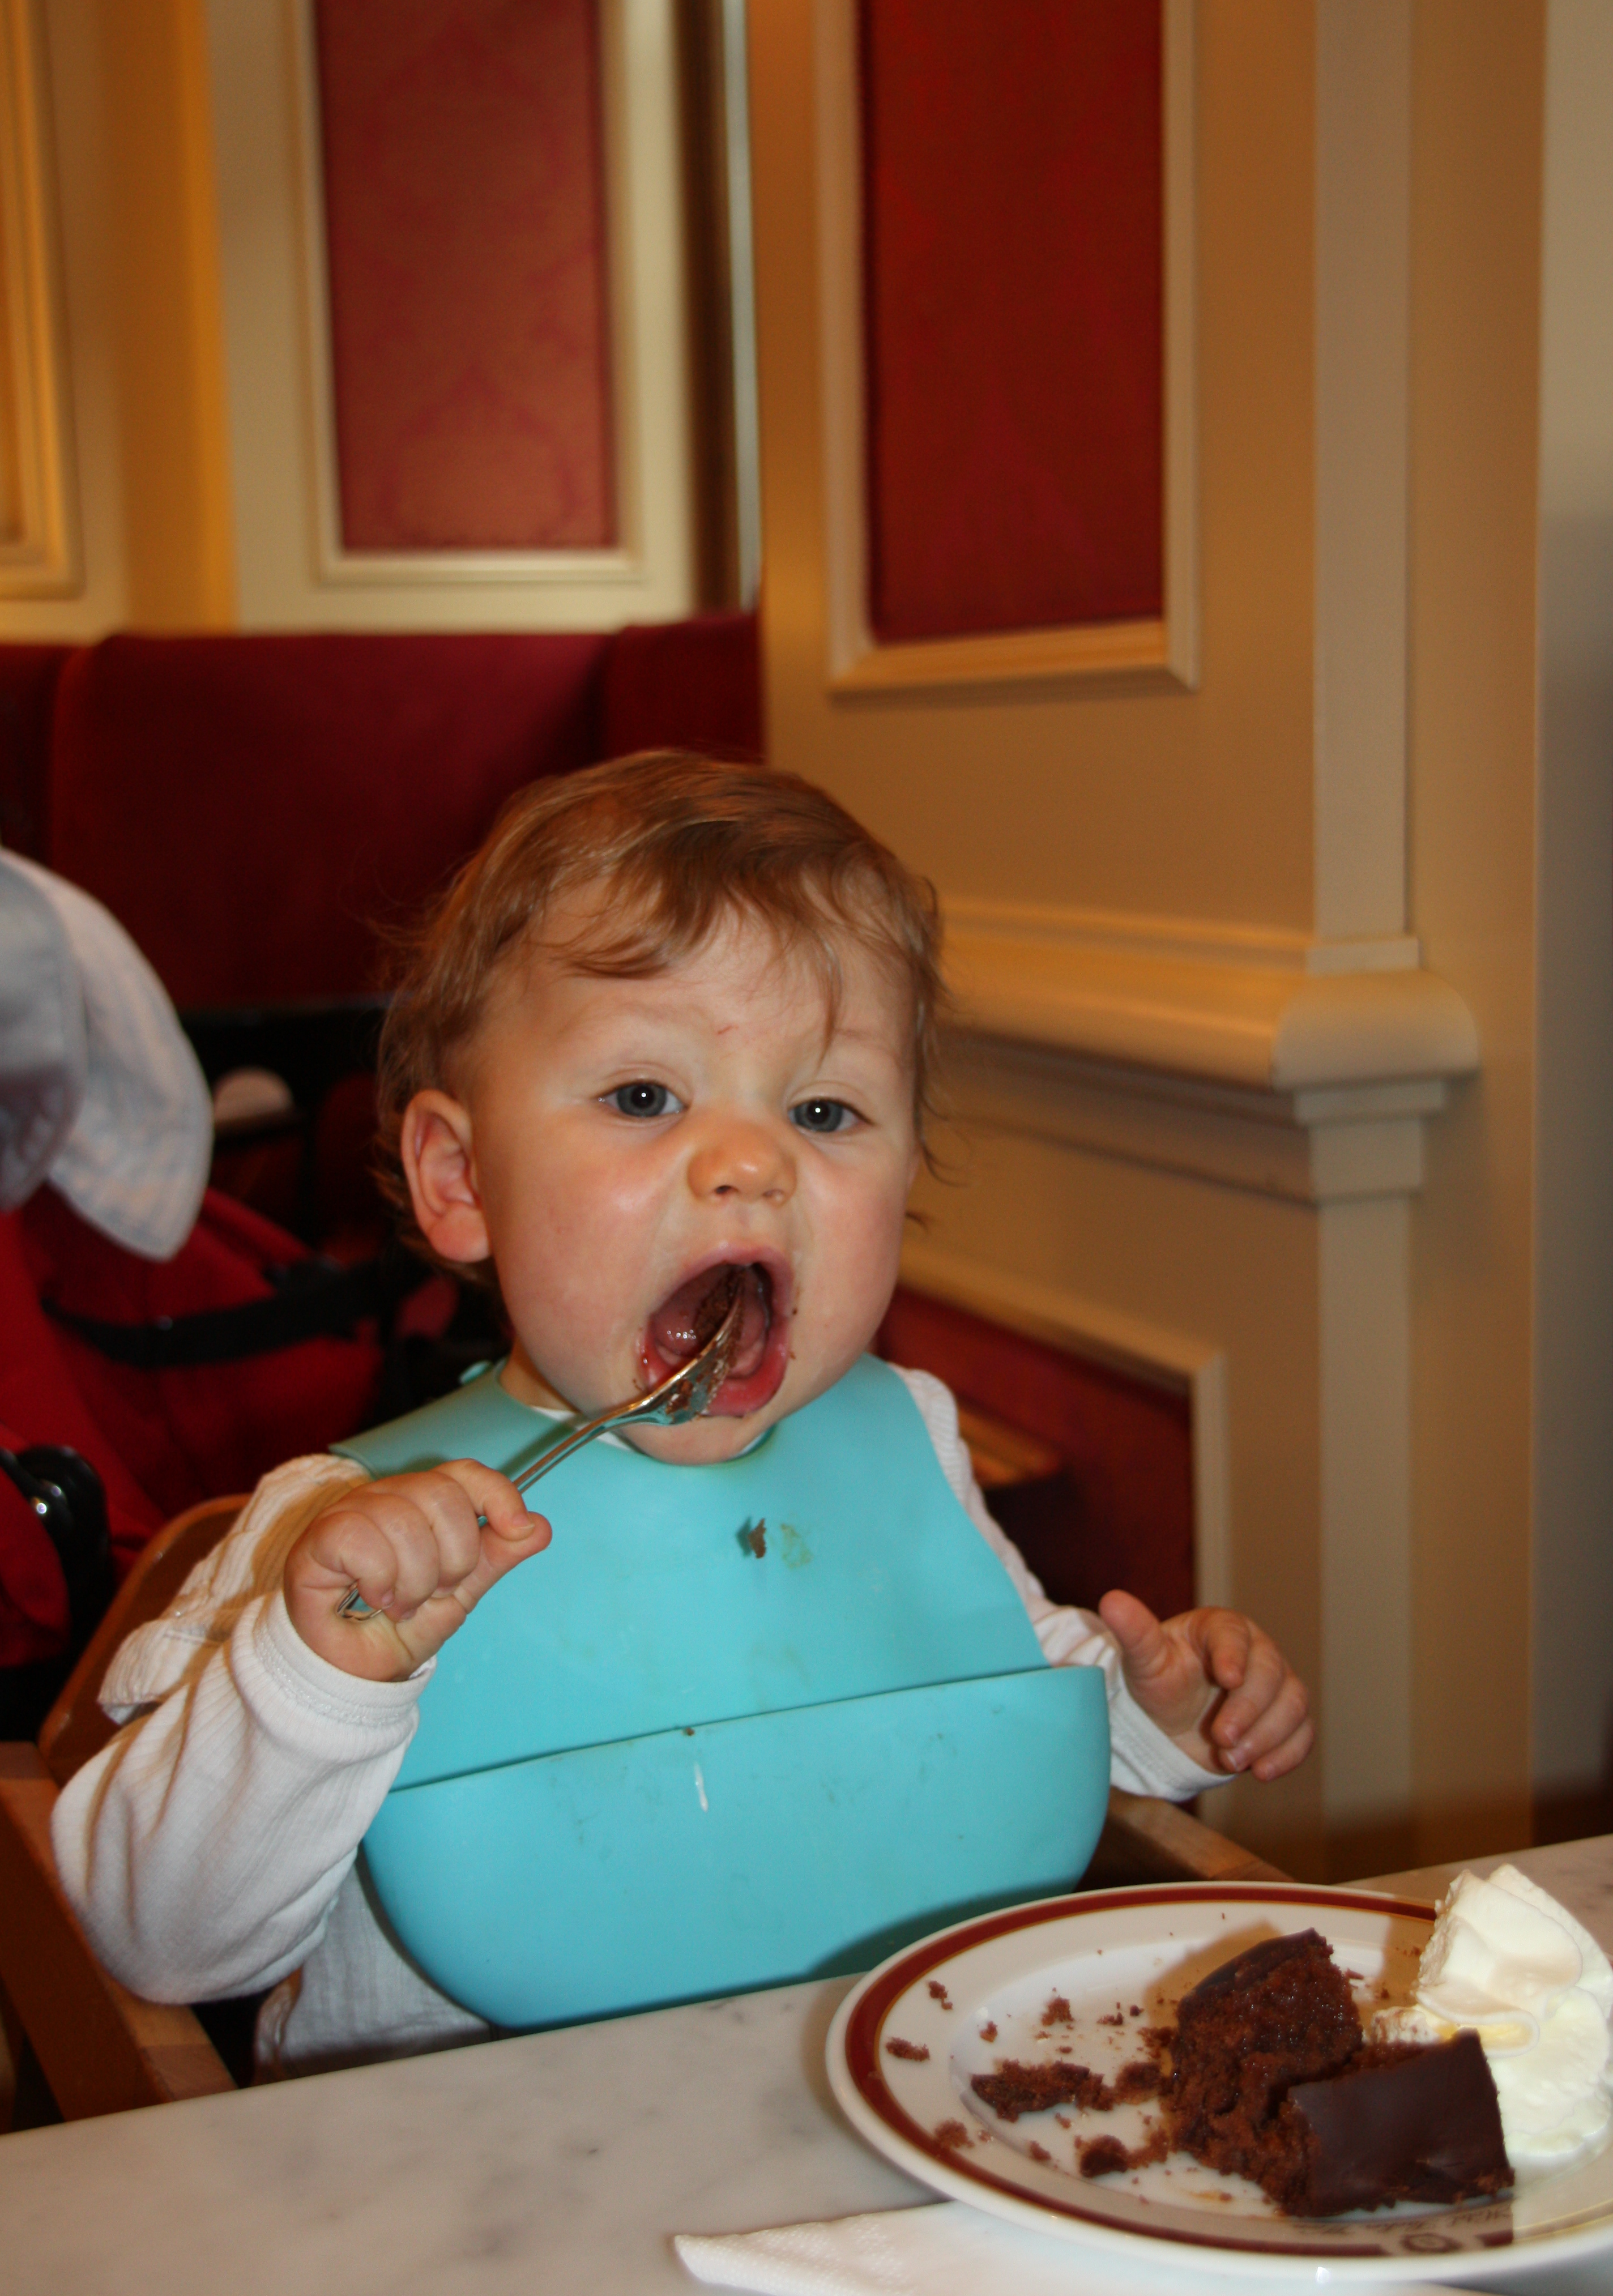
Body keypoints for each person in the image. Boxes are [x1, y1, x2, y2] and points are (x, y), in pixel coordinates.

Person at [54, 753, 1311, 2075]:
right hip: (465, 2169)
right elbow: (158, 1944)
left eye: (822, 1110)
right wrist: (315, 1683)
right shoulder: (331, 1542)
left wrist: (1157, 1716)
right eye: (643, 1097)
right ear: (462, 1178)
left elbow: (988, 1679)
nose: (753, 1163)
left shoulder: (908, 1440)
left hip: (876, 2118)